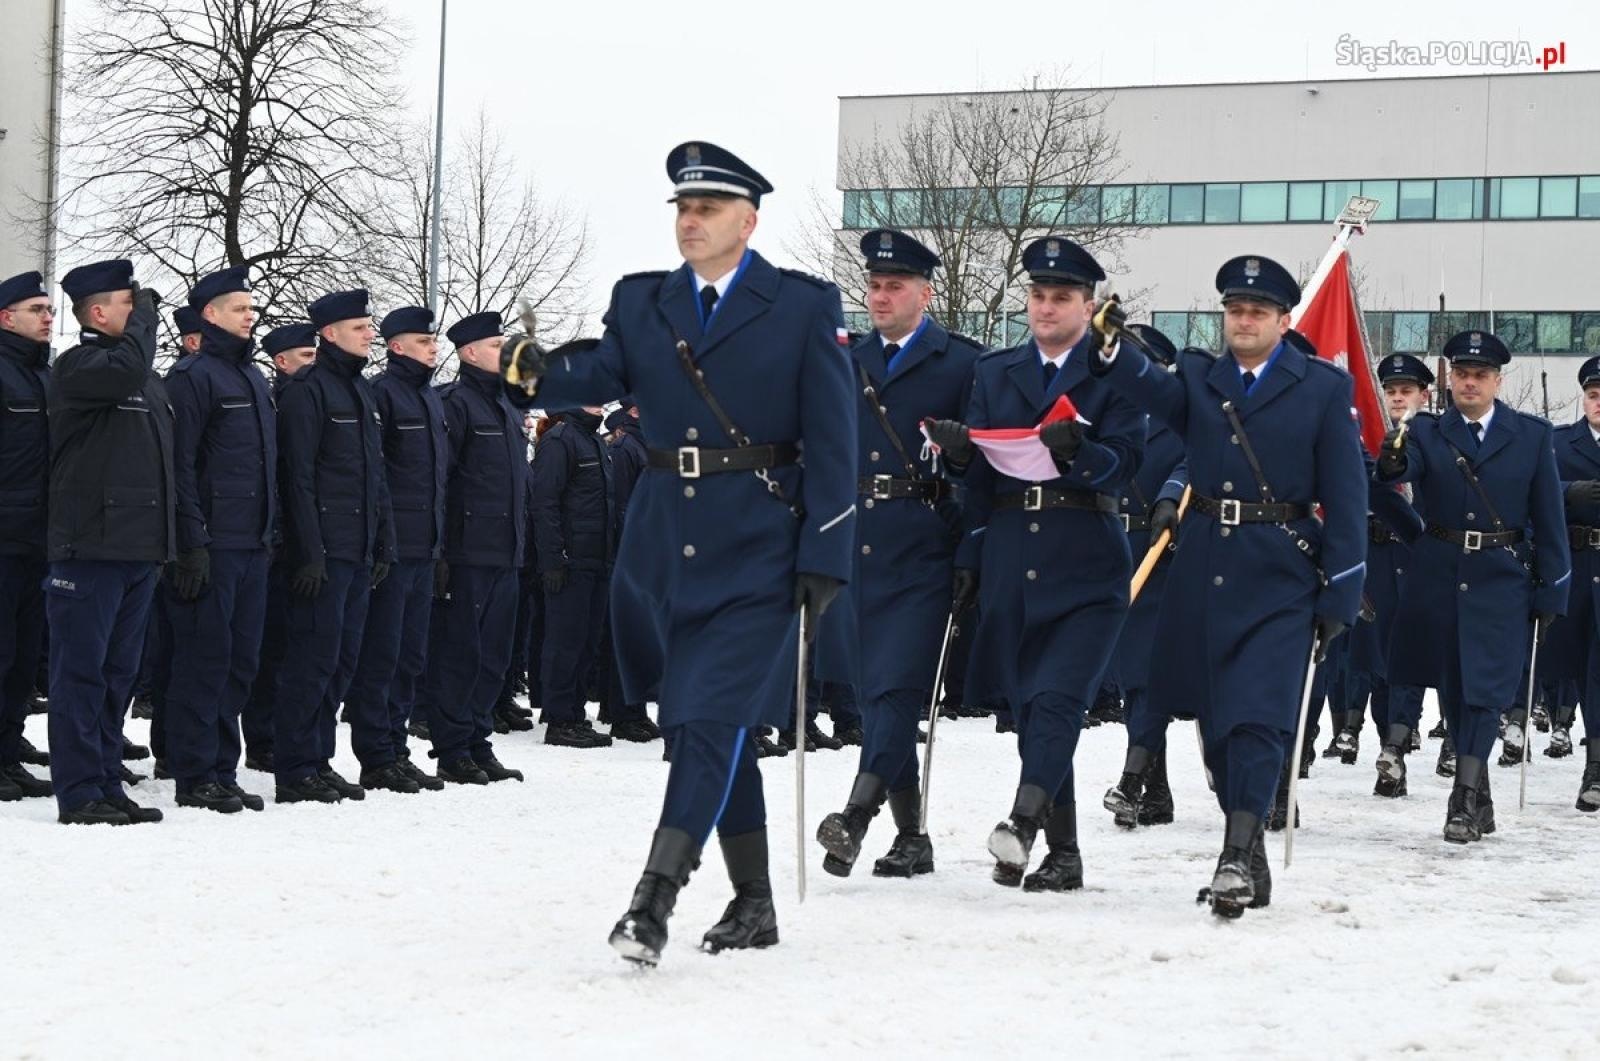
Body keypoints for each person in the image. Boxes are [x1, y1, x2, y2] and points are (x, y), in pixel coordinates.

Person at [501, 141, 855, 964]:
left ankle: (652, 898)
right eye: (682, 209)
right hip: (664, 549)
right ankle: (756, 902)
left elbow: (835, 440)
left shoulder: (800, 305)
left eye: (706, 209)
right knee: (712, 725)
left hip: (761, 548)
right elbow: (600, 370)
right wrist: (534, 374)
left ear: (748, 220)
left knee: (705, 720)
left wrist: (827, 553)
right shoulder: (643, 302)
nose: (689, 221)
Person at [1088, 254, 1367, 917]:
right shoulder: (1200, 376)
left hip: (1281, 571)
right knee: (1217, 726)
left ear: (1282, 319)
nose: (1245, 320)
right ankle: (1251, 854)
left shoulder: (1322, 389)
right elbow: (1151, 389)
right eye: (1236, 310)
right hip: (1206, 569)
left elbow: (1348, 500)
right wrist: (1111, 346)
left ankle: (1235, 853)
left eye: (1258, 312)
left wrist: (1343, 591)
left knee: (1258, 717)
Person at [925, 235, 1145, 892]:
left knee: (1057, 698)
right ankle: (1066, 851)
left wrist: (1080, 450)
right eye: (1038, 294)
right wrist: (962, 462)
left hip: (1089, 554)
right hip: (1013, 555)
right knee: (1035, 706)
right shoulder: (995, 372)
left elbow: (1128, 464)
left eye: (1062, 297)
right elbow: (981, 482)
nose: (1047, 307)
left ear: (1088, 304)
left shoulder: (1117, 371)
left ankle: (1022, 822)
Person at [812, 228, 982, 880]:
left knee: (896, 689)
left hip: (924, 544)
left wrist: (971, 542)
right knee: (878, 692)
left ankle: (853, 817)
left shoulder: (960, 363)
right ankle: (912, 837)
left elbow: (982, 469)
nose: (880, 296)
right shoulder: (845, 362)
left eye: (895, 286)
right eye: (875, 285)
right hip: (856, 543)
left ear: (925, 292)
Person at [1375, 329, 1569, 842]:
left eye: (1480, 375)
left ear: (1497, 381)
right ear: (1449, 379)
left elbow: (1549, 519)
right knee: (1458, 690)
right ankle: (1478, 792)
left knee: (1486, 690)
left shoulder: (1532, 435)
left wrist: (1554, 590)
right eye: (1461, 374)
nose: (1470, 382)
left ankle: (1461, 800)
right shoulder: (1426, 432)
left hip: (1501, 576)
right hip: (1440, 572)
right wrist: (1392, 460)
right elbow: (1402, 472)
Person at [45, 259, 175, 825]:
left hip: (138, 550)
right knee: (81, 672)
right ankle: (78, 792)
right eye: (131, 303)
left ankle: (105, 780)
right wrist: (144, 322)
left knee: (118, 674)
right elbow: (123, 370)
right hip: (89, 549)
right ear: (98, 312)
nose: (143, 313)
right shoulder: (80, 366)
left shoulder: (145, 378)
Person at [273, 290, 395, 804]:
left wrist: (383, 541)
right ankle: (295, 767)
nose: (370, 334)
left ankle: (318, 759)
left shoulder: (361, 393)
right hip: (324, 553)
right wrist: (310, 552)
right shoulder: (308, 390)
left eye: (368, 326)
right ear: (329, 334)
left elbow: (374, 476)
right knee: (312, 661)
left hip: (358, 551)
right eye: (360, 327)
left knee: (341, 662)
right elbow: (297, 477)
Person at [161, 266, 277, 814]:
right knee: (203, 660)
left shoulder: (252, 379)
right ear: (210, 315)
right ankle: (193, 772)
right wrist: (190, 542)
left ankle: (222, 769)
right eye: (239, 309)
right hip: (213, 544)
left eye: (252, 309)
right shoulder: (194, 376)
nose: (250, 316)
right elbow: (179, 466)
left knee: (240, 662)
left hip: (253, 545)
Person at [342, 306, 448, 793]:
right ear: (397, 347)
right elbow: (377, 476)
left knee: (410, 657)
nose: (433, 348)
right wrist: (383, 541)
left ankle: (397, 747)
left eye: (434, 342)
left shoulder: (429, 399)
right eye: (424, 342)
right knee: (381, 656)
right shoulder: (383, 393)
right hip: (393, 549)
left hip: (424, 547)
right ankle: (376, 754)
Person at [424, 311, 530, 784]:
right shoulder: (455, 404)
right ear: (469, 353)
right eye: (496, 345)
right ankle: (452, 747)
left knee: (494, 657)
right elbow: (440, 483)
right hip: (467, 553)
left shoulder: (507, 408)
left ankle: (477, 740)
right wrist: (441, 552)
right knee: (460, 654)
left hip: (506, 551)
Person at [1101, 323, 1188, 829]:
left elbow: (1192, 462)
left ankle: (1133, 778)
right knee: (1131, 679)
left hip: (1161, 553)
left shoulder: (1177, 420)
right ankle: (1155, 788)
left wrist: (1170, 495)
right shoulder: (1103, 414)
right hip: (1112, 551)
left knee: (1148, 675)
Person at [240, 322, 319, 774]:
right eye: (304, 357)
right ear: (281, 363)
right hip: (272, 541)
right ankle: (262, 737)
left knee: (290, 646)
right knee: (268, 650)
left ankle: (272, 735)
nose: (311, 364)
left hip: (293, 540)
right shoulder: (281, 401)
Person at [1361, 354, 1432, 798]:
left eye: (1407, 390)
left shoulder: (1440, 437)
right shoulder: (1369, 437)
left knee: (1411, 657)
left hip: (1423, 556)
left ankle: (1397, 744)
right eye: (1391, 390)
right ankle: (1390, 748)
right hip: (1379, 557)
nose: (1398, 397)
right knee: (1378, 664)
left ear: (1424, 394)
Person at [530, 390, 616, 749]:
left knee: (585, 640)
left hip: (597, 558)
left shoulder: (593, 440)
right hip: (570, 560)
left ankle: (573, 712)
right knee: (565, 641)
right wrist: (553, 558)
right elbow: (545, 503)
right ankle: (559, 717)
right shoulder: (560, 441)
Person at [0, 271, 55, 802]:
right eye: (36, 309)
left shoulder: (45, 377)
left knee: (23, 659)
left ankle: (8, 749)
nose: (47, 317)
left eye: (49, 310)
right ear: (6, 317)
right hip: (3, 539)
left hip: (39, 541)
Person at [1537, 355, 1600, 811]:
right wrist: (1567, 493)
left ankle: (1595, 766)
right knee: (1579, 667)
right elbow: (1528, 495)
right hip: (1577, 567)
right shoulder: (1560, 443)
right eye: (1594, 395)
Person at [598, 397, 661, 743]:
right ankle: (622, 713)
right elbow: (620, 505)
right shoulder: (626, 448)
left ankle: (632, 710)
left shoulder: (647, 444)